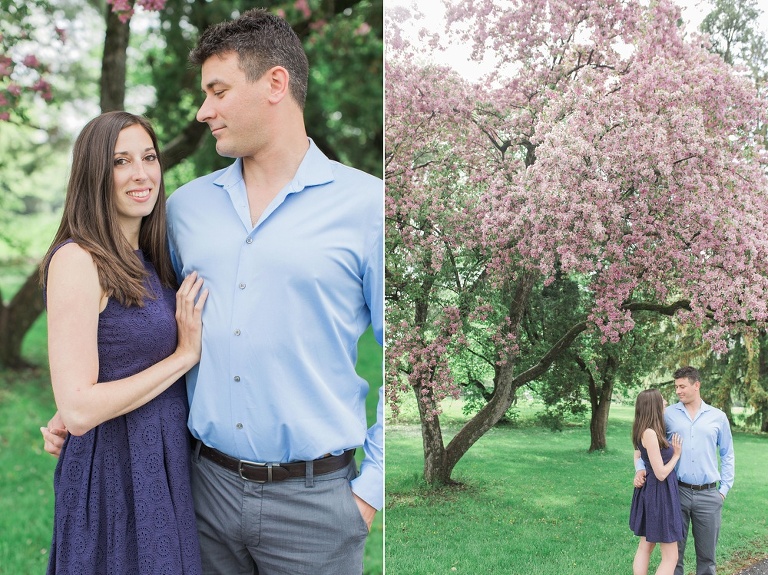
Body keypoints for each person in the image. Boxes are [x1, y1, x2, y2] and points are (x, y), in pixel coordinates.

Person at [43, 10, 382, 574]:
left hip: (315, 505)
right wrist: (74, 405)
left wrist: (369, 490)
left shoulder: (368, 207)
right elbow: (138, 316)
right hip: (199, 491)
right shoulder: (184, 211)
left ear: (275, 84)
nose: (204, 111)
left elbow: (409, 362)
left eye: (218, 91)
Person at [39, 111, 208, 575]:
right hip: (114, 475)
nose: (141, 173)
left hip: (163, 462)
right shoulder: (78, 259)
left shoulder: (149, 258)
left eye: (149, 157)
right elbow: (78, 410)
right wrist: (183, 357)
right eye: (121, 161)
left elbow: (111, 358)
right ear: (95, 174)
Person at [634, 367, 735, 575]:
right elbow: (643, 445)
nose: (678, 391)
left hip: (709, 494)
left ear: (696, 385)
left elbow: (727, 454)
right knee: (674, 555)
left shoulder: (718, 417)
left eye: (682, 386)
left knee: (707, 557)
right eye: (676, 387)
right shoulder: (667, 414)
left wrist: (723, 490)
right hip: (675, 492)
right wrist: (639, 469)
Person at [629, 389, 684, 575]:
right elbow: (661, 473)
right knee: (671, 557)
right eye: (662, 400)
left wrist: (640, 469)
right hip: (660, 493)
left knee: (646, 546)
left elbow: (638, 455)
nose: (666, 403)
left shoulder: (644, 430)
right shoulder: (650, 433)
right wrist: (676, 455)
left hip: (653, 492)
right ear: (654, 405)